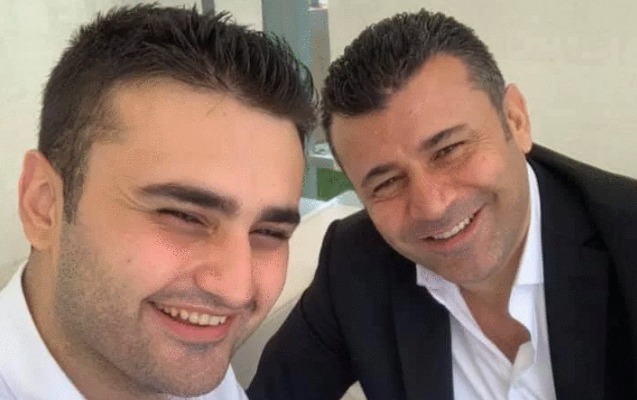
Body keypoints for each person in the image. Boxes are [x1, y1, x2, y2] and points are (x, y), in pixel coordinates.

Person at [248, 8, 637, 400]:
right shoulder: (355, 264)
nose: (432, 205)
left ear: (515, 120)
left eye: (449, 150)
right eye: (387, 182)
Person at [0, 4, 316, 399]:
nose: (236, 289)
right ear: (43, 205)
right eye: (184, 216)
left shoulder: (185, 359)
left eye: (269, 232)